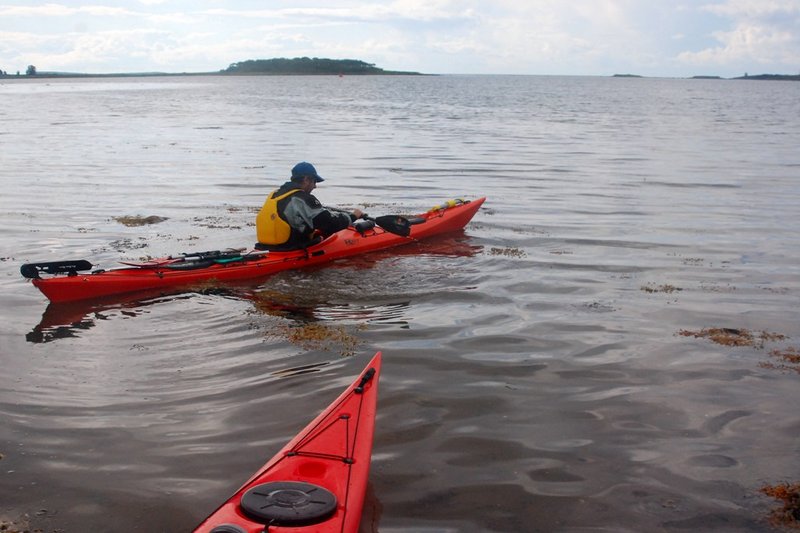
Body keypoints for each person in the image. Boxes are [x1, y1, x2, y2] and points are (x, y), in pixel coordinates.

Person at [255, 162, 364, 251]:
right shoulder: (303, 198)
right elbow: (330, 223)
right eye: (314, 181)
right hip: (289, 250)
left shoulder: (275, 194)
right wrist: (353, 217)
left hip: (265, 249)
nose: (315, 186)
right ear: (306, 180)